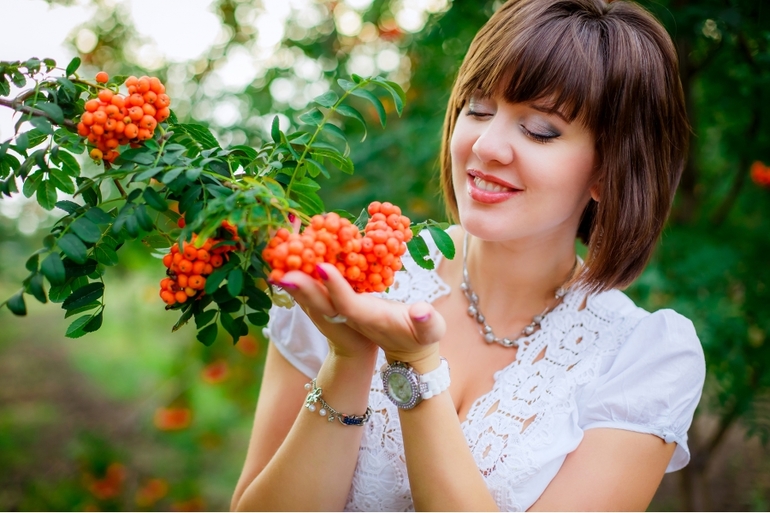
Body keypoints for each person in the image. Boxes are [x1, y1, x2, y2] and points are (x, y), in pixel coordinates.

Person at [231, 0, 706, 510]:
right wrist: (349, 358)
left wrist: (414, 368)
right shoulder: (354, 273)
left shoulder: (641, 360)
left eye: (540, 129)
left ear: (609, 170)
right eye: (478, 108)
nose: (487, 145)